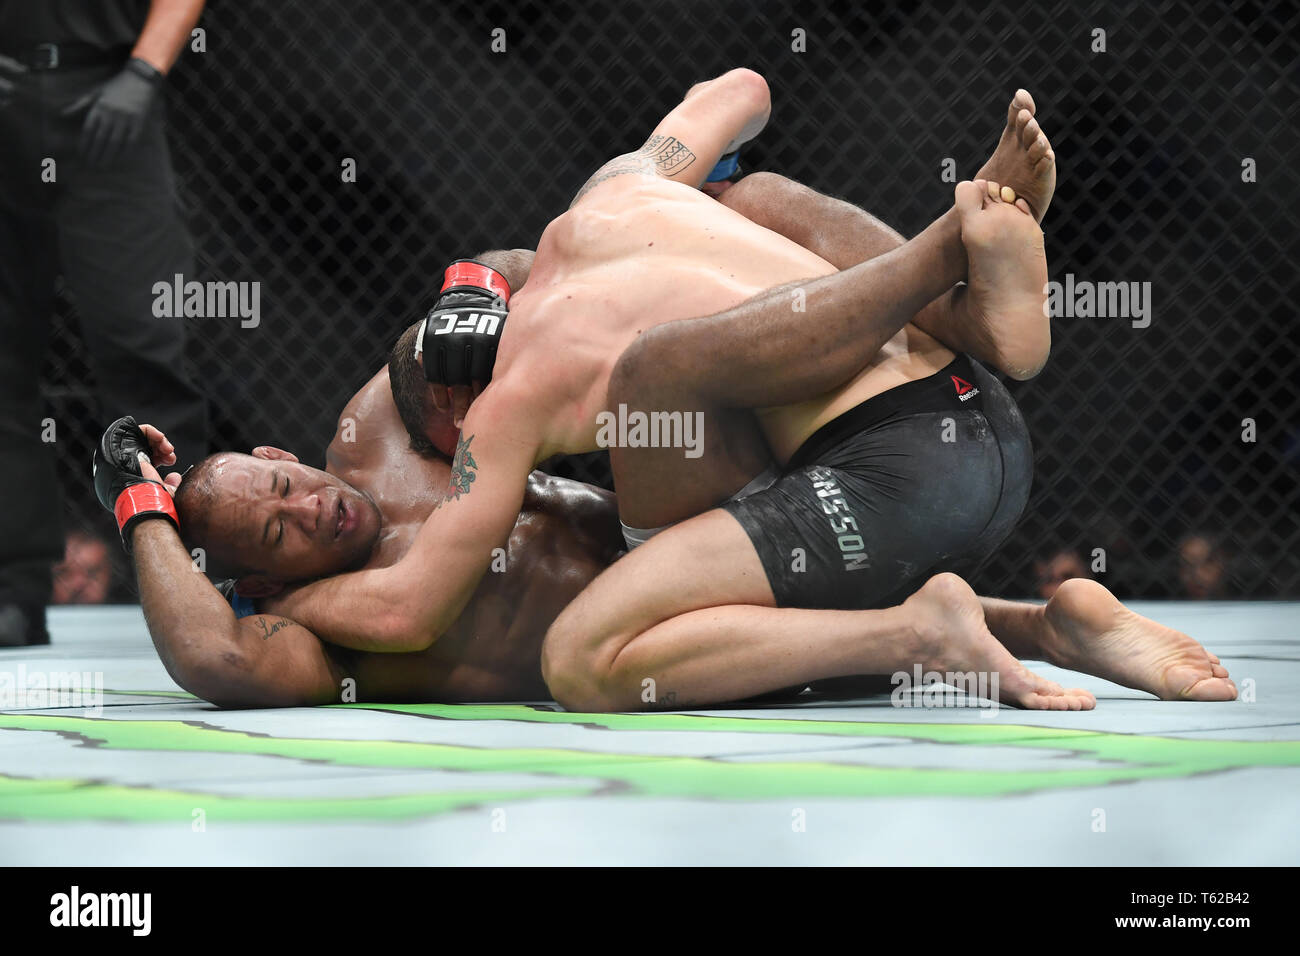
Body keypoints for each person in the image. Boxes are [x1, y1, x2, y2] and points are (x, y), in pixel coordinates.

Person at [107, 72, 1232, 709]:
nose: (311, 503)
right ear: (256, 575)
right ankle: (1039, 615)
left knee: (681, 337)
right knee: (721, 248)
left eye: (286, 481)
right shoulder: (328, 631)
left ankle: (956, 279)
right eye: (283, 529)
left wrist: (463, 290)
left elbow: (451, 347)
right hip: (868, 468)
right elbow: (224, 654)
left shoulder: (399, 419)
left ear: (290, 449)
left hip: (809, 482)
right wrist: (141, 505)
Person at [0, 0, 209, 646]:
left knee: (144, 346)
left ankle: (191, 585)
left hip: (111, 92)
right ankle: (14, 592)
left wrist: (144, 73)